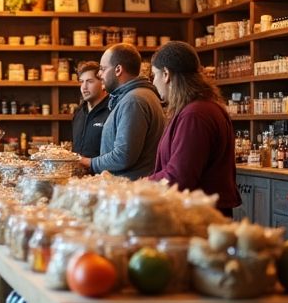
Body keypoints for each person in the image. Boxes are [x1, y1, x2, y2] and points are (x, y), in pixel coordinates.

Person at [146, 41, 240, 213]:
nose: (153, 83)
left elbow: (180, 177)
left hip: (201, 216)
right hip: (201, 212)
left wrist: (140, 185)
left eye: (154, 75)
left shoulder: (195, 114)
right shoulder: (199, 108)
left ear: (166, 74)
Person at [77, 43, 164, 178]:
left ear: (118, 70)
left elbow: (123, 156)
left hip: (130, 191)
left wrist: (87, 162)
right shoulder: (136, 96)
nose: (100, 74)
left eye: (103, 69)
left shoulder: (133, 101)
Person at [70, 61, 111, 159]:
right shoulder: (78, 112)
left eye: (89, 81)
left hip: (105, 174)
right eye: (82, 81)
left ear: (102, 83)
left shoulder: (112, 110)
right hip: (78, 173)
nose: (84, 87)